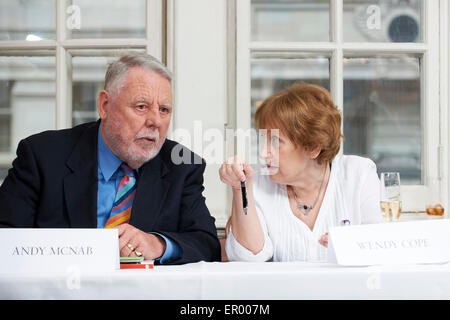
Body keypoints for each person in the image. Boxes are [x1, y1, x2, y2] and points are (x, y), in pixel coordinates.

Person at [0, 52, 221, 265]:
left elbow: (207, 245)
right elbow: (5, 238)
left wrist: (158, 244)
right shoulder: (42, 156)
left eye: (164, 110)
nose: (155, 121)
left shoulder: (181, 166)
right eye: (141, 107)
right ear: (105, 105)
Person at [220, 82, 383, 262]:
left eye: (275, 141)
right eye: (263, 139)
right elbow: (247, 260)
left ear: (312, 148)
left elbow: (378, 248)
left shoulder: (358, 175)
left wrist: (351, 246)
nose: (263, 153)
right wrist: (240, 189)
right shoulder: (257, 181)